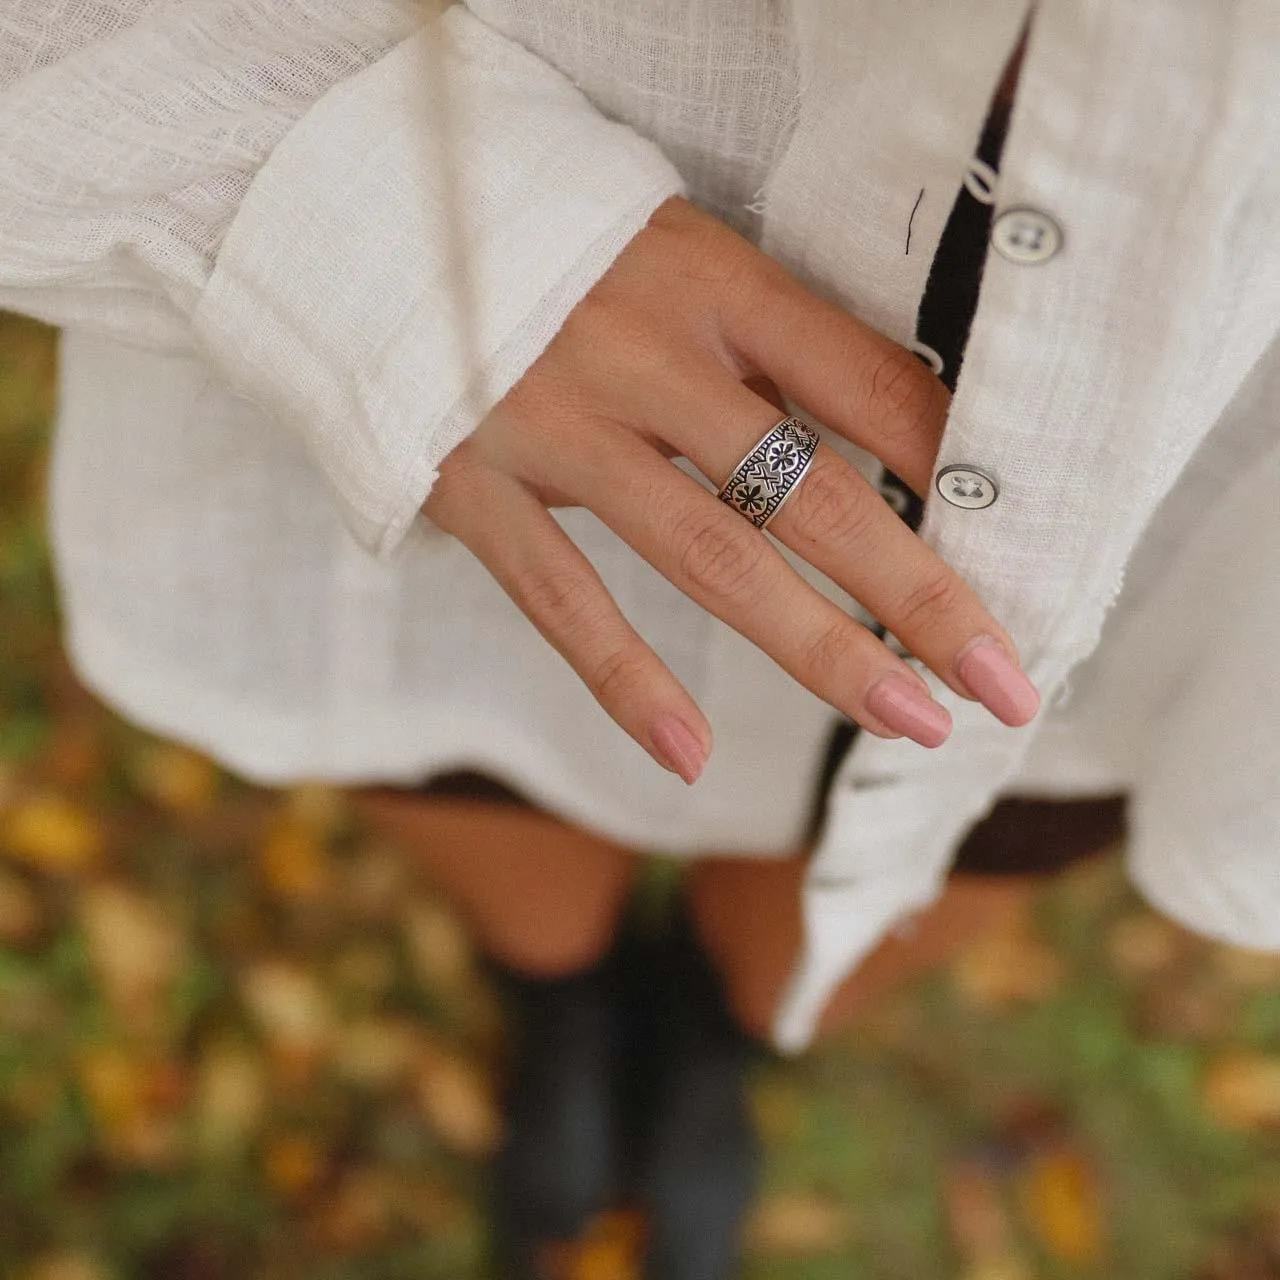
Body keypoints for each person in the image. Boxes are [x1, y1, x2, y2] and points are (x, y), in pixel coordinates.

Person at [2, 2, 1278, 1277]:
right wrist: (405, 231)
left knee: (994, 787)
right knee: (475, 692)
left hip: (1213, 426)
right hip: (547, 180)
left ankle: (716, 1032)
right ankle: (559, 995)